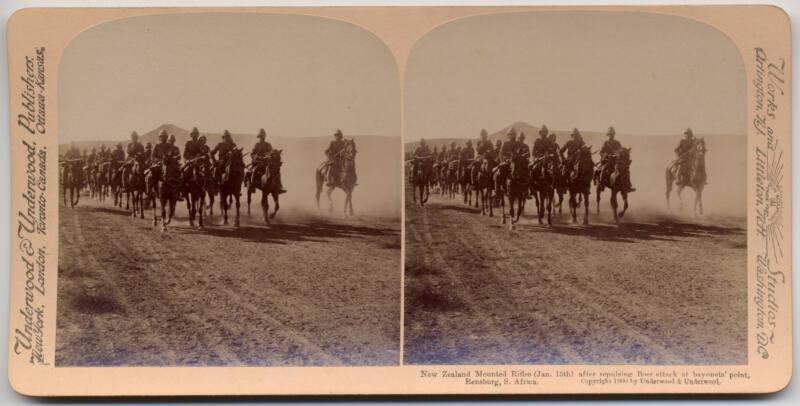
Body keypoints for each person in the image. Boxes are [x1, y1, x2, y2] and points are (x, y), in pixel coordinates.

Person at [249, 128, 286, 193]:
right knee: (254, 171)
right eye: (261, 136)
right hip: (258, 163)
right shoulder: (256, 144)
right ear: (259, 137)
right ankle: (252, 186)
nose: (262, 137)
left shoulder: (268, 144)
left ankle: (279, 186)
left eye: (263, 136)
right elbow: (252, 154)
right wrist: (257, 157)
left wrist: (271, 154)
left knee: (277, 172)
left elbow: (271, 152)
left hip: (267, 163)